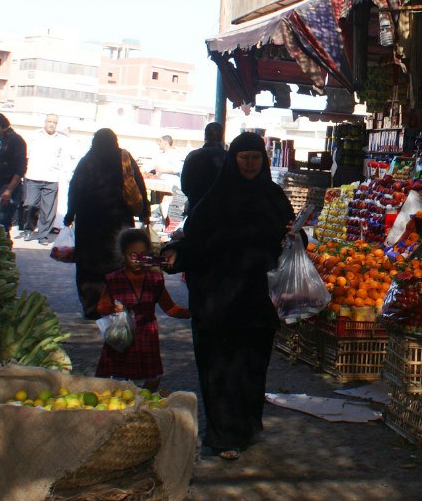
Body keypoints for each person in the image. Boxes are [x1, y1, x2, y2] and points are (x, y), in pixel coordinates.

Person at [162, 132, 294, 460]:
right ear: (233, 159)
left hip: (258, 300)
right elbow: (192, 238)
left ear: (263, 161)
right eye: (243, 157)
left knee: (252, 365)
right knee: (219, 365)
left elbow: (290, 235)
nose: (250, 164)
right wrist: (176, 253)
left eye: (255, 158)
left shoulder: (274, 197)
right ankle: (222, 434)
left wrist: (297, 239)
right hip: (217, 300)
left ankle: (247, 425)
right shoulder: (215, 198)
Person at [64, 129, 149, 319]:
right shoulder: (124, 158)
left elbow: (74, 188)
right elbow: (138, 184)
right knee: (117, 261)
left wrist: (70, 214)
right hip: (118, 220)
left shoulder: (87, 161)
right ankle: (117, 303)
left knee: (89, 264)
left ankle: (92, 307)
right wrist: (144, 212)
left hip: (89, 221)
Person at [94, 228, 188, 390]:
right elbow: (101, 306)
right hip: (122, 336)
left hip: (147, 337)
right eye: (133, 255)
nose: (138, 260)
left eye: (143, 255)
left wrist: (193, 313)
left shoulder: (155, 280)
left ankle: (143, 404)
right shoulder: (114, 279)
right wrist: (112, 309)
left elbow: (170, 308)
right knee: (117, 380)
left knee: (152, 379)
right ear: (123, 255)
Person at [19, 114, 71, 243]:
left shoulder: (61, 140)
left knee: (48, 211)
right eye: (49, 121)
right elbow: (26, 155)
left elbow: (64, 160)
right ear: (45, 122)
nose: (51, 124)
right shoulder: (34, 136)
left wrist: (64, 176)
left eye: (54, 122)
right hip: (33, 177)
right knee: (30, 205)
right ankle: (28, 230)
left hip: (51, 179)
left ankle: (43, 235)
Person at [0, 112, 27, 236]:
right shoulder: (3, 141)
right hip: (1, 188)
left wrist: (9, 190)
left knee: (2, 226)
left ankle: (4, 252)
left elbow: (20, 169)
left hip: (8, 189)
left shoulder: (15, 141)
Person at [178, 122, 226, 218]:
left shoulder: (193, 155)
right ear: (221, 136)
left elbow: (184, 186)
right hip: (223, 212)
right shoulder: (229, 157)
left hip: (196, 209)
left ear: (205, 136)